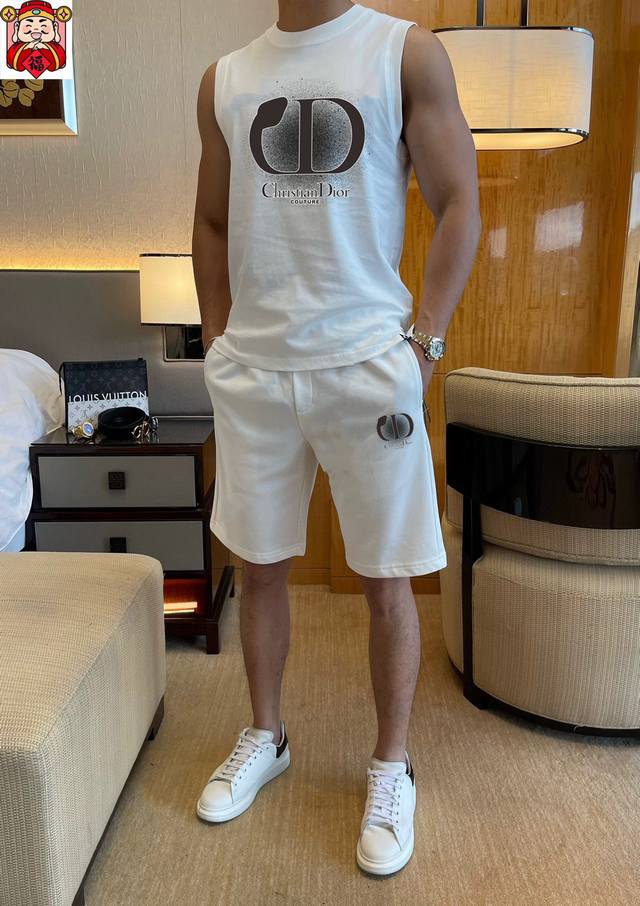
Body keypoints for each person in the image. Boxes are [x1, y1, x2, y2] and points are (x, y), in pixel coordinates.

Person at [191, 0, 481, 877]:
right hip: (257, 372)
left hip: (368, 365)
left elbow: (459, 202)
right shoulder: (224, 80)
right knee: (259, 567)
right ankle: (267, 735)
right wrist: (216, 338)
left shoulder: (405, 54)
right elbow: (211, 222)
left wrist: (425, 345)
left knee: (386, 579)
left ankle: (392, 766)